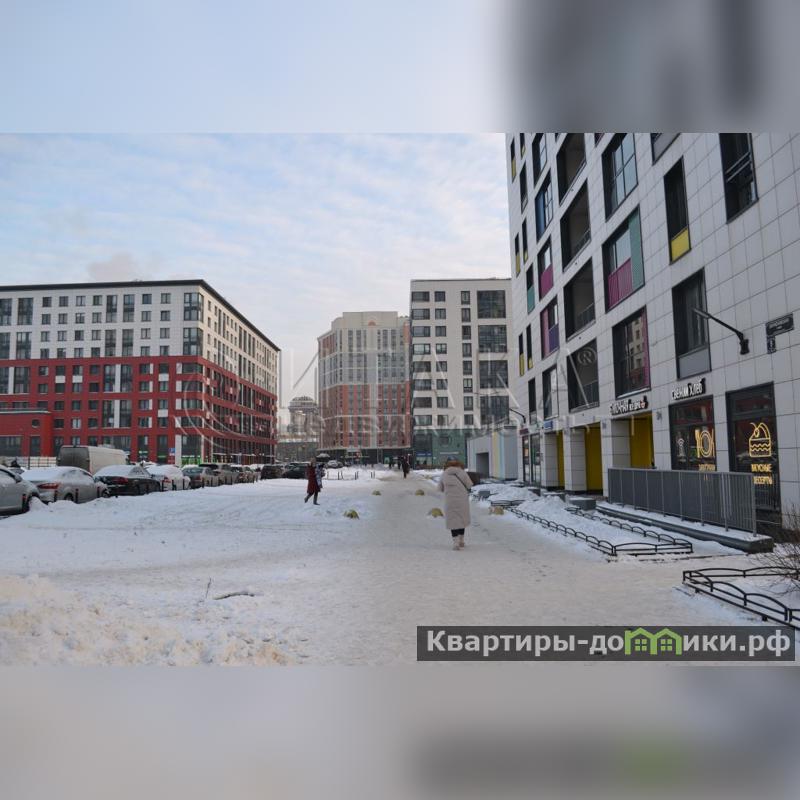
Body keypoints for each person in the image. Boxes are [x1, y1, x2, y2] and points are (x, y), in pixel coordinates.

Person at [437, 459, 473, 550]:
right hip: (462, 500)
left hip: (450, 501)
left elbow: (439, 488)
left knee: (453, 521)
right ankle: (461, 541)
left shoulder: (444, 474)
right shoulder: (462, 473)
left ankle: (455, 543)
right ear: (458, 465)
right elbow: (469, 485)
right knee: (461, 519)